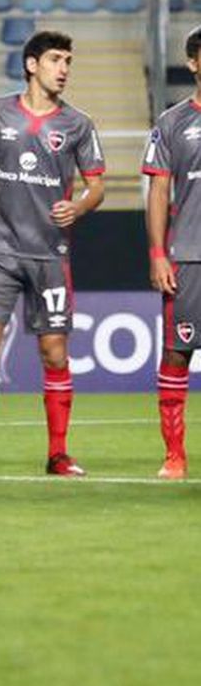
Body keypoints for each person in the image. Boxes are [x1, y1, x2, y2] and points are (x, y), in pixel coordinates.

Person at [0, 30, 105, 478]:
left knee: (54, 352)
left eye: (68, 60)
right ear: (32, 64)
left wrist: (79, 205)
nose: (64, 68)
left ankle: (58, 454)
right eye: (56, 59)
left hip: (49, 256)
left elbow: (98, 185)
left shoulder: (78, 125)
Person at [139, 26, 201, 479]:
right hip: (190, 255)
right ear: (194, 63)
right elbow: (158, 191)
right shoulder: (172, 123)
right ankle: (174, 455)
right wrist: (158, 252)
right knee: (177, 353)